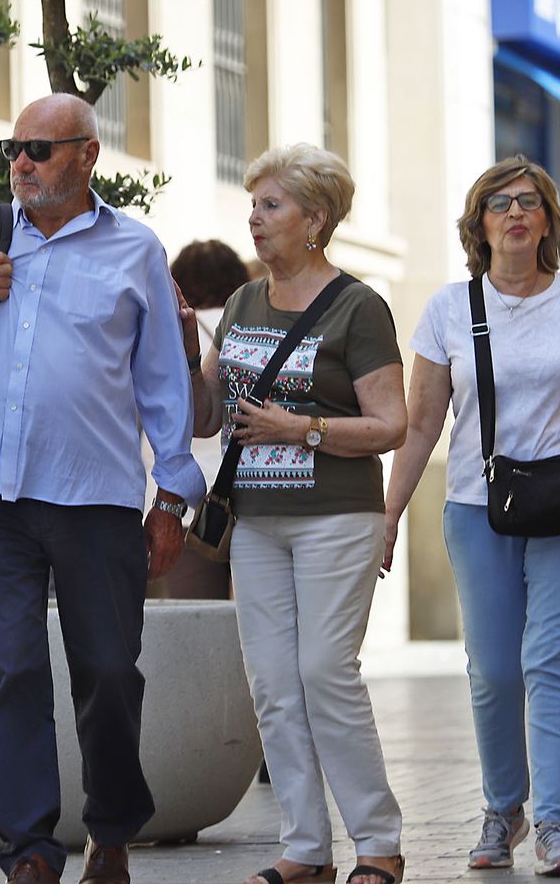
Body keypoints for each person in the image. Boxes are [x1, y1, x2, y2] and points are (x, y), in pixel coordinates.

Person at [0, 93, 206, 884]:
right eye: (15, 148)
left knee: (109, 669)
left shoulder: (135, 248)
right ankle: (29, 852)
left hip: (97, 497)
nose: (21, 163)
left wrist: (171, 498)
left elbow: (164, 387)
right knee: (8, 665)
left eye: (40, 149)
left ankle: (110, 833)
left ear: (87, 156)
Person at [383, 156, 560, 877]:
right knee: (493, 671)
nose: (515, 213)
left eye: (529, 202)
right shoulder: (450, 307)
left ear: (548, 221)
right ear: (480, 222)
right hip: (479, 508)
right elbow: (421, 426)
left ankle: (555, 825)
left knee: (551, 662)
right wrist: (388, 517)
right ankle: (502, 808)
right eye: (500, 203)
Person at [183, 144, 408, 884]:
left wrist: (302, 429)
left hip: (335, 517)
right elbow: (208, 416)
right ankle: (305, 850)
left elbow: (391, 424)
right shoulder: (245, 303)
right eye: (253, 205)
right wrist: (187, 354)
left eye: (270, 206)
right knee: (273, 684)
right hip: (256, 519)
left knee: (324, 670)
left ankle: (377, 843)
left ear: (314, 219)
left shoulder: (358, 306)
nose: (255, 218)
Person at [165, 238, 249, 600]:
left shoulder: (171, 333)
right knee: (260, 628)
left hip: (188, 504)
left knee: (196, 622)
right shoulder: (250, 327)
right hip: (247, 494)